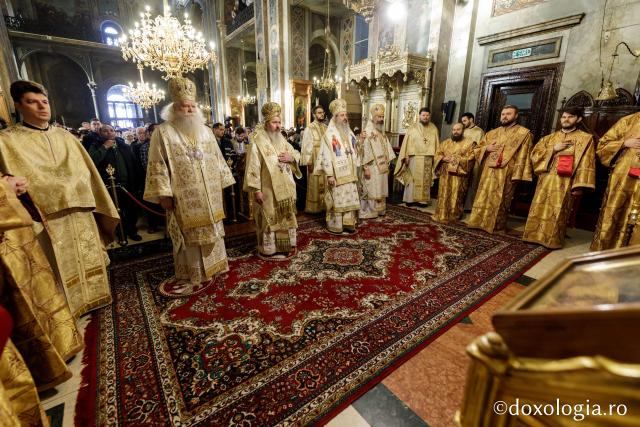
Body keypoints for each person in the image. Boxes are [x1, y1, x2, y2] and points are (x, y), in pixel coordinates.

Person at [0, 80, 119, 318]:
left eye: (44, 102)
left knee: (86, 256)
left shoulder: (67, 138)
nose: (41, 107)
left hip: (80, 210)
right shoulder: (6, 140)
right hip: (44, 218)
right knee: (55, 265)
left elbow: (89, 173)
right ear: (18, 106)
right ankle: (66, 310)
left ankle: (93, 297)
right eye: (32, 102)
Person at [144, 77, 235, 286]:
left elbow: (216, 157)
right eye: (186, 106)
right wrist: (164, 194)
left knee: (213, 230)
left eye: (193, 106)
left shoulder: (205, 131)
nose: (190, 110)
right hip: (183, 197)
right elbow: (157, 164)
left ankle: (216, 265)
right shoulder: (163, 132)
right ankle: (195, 272)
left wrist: (222, 181)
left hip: (209, 195)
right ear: (175, 107)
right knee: (190, 234)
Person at [0, 176, 82, 392]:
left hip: (16, 235)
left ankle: (59, 345)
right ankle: (41, 365)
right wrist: (4, 189)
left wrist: (9, 180)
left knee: (38, 288)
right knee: (17, 299)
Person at [522, 108, 596, 249]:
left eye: (570, 117)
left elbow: (587, 162)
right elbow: (534, 155)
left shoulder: (586, 139)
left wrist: (579, 185)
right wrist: (553, 149)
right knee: (539, 206)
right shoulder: (549, 138)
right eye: (563, 117)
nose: (566, 119)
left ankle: (552, 240)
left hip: (566, 182)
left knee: (559, 210)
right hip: (546, 179)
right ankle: (532, 235)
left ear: (579, 119)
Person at [243, 102, 301, 258]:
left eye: (279, 122)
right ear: (266, 123)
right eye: (274, 122)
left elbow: (294, 153)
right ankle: (269, 249)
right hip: (267, 188)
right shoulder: (257, 141)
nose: (278, 126)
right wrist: (256, 190)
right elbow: (252, 167)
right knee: (269, 216)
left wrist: (292, 158)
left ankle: (284, 246)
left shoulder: (281, 139)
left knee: (284, 218)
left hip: (285, 188)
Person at [467, 105, 533, 234]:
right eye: (503, 114)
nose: (505, 116)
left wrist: (517, 175)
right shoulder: (492, 133)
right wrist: (486, 149)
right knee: (483, 195)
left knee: (501, 199)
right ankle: (478, 222)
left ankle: (496, 226)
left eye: (508, 114)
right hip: (488, 171)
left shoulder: (524, 134)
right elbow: (476, 150)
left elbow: (524, 156)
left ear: (516, 116)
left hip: (507, 172)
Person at [591, 111, 640, 250]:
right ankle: (604, 250)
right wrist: (624, 143)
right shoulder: (628, 121)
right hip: (623, 177)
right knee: (614, 213)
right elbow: (603, 145)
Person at [88, 124, 142, 241]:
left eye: (111, 130)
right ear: (100, 133)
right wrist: (104, 147)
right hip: (108, 186)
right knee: (115, 211)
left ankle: (132, 231)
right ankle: (120, 232)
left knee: (130, 209)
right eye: (105, 131)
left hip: (127, 184)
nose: (109, 133)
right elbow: (91, 162)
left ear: (115, 132)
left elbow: (133, 163)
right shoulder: (95, 145)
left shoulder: (123, 145)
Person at [316, 99, 362, 234]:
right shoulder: (329, 135)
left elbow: (355, 149)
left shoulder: (349, 133)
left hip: (350, 174)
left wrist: (361, 143)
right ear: (335, 117)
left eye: (346, 115)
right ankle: (336, 226)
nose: (345, 118)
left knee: (349, 199)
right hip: (337, 175)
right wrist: (329, 174)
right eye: (342, 115)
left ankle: (348, 224)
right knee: (338, 200)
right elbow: (325, 155)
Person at [394, 107, 439, 207]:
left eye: (427, 115)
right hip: (413, 157)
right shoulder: (412, 127)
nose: (425, 117)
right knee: (411, 179)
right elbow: (406, 143)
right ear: (419, 116)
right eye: (423, 115)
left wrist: (435, 159)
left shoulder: (434, 128)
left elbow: (436, 145)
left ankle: (422, 201)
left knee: (425, 180)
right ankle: (409, 199)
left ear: (429, 116)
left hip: (427, 158)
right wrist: (406, 156)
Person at [433, 123, 476, 223]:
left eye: (458, 129)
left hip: (459, 175)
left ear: (463, 130)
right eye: (454, 130)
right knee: (444, 193)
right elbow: (437, 154)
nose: (455, 132)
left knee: (457, 195)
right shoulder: (445, 142)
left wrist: (455, 158)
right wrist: (443, 158)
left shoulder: (470, 143)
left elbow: (471, 158)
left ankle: (454, 215)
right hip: (445, 174)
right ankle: (441, 213)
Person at [359, 103, 395, 219]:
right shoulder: (368, 132)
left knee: (380, 188)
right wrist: (365, 168)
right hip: (372, 167)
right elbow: (363, 151)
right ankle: (369, 210)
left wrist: (388, 161)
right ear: (373, 117)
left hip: (382, 167)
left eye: (382, 117)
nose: (381, 119)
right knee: (371, 188)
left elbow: (386, 148)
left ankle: (380, 210)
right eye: (378, 117)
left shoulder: (381, 132)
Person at [300, 105, 328, 214]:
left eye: (322, 112)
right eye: (319, 113)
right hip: (315, 160)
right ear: (314, 115)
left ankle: (325, 205)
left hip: (325, 161)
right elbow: (307, 146)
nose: (321, 114)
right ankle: (314, 208)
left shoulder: (326, 128)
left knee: (326, 183)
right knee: (315, 183)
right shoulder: (309, 128)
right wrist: (309, 162)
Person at [461, 112, 485, 211]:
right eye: (462, 121)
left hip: (473, 161)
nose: (463, 123)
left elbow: (481, 147)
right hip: (462, 160)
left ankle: (469, 206)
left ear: (471, 120)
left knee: (472, 182)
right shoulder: (463, 130)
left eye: (465, 121)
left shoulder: (479, 132)